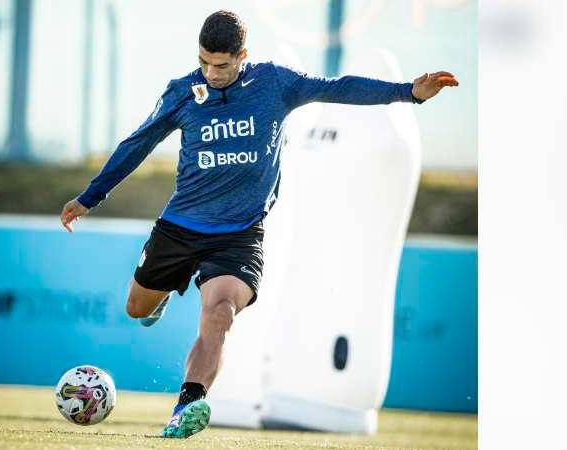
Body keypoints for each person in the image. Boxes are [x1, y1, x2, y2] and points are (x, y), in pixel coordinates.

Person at [58, 10, 457, 439]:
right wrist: (90, 196)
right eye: (204, 61)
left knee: (220, 313)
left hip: (240, 234)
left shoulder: (273, 83)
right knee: (135, 308)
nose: (212, 73)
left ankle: (186, 408)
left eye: (223, 64)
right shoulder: (182, 92)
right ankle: (156, 300)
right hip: (180, 226)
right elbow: (139, 142)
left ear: (243, 56)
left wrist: (407, 92)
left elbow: (335, 88)